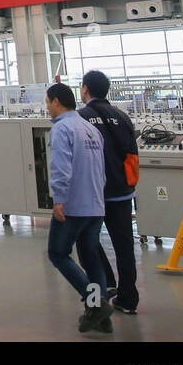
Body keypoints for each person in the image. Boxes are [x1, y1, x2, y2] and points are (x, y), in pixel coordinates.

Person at [45, 81, 114, 336]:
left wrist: (59, 199)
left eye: (48, 103)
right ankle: (102, 319)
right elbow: (100, 169)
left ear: (56, 102)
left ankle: (96, 303)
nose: (48, 108)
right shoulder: (89, 129)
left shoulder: (62, 129)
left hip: (73, 206)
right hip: (95, 204)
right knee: (91, 256)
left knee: (58, 253)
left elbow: (61, 168)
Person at [79, 69, 140, 315]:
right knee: (124, 246)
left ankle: (105, 284)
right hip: (122, 193)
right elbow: (133, 156)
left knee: (87, 242)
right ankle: (128, 299)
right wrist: (130, 186)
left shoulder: (80, 118)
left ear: (85, 89)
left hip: (94, 194)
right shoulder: (122, 117)